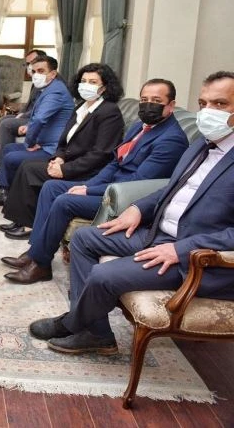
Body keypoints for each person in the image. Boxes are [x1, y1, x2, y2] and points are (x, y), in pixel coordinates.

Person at [29, 71, 234, 355]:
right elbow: (169, 189)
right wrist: (138, 208)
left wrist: (180, 249)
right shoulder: (202, 144)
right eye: (203, 103)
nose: (208, 111)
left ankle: (72, 323)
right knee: (84, 238)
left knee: (103, 275)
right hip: (158, 233)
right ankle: (97, 333)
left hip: (194, 257)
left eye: (220, 104)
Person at [2, 79, 189, 284]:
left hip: (126, 200)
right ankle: (35, 252)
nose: (148, 105)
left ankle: (40, 264)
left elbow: (137, 183)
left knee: (64, 201)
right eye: (144, 99)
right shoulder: (140, 127)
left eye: (156, 101)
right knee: (51, 187)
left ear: (171, 105)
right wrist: (88, 186)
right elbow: (114, 162)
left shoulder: (171, 139)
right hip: (110, 187)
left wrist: (90, 191)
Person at [0, 63, 125, 209]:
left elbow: (100, 154)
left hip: (80, 166)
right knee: (12, 152)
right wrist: (59, 157)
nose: (86, 85)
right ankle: (6, 195)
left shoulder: (108, 111)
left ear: (104, 87)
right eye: (83, 81)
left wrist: (62, 167)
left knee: (24, 165)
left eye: (92, 82)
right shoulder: (81, 106)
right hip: (65, 156)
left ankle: (13, 204)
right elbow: (64, 138)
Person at [0, 56, 74, 205]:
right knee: (9, 149)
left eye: (41, 71)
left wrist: (30, 143)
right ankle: (5, 191)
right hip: (45, 143)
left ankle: (5, 195)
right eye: (34, 71)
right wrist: (29, 126)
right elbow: (43, 116)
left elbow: (40, 119)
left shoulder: (56, 92)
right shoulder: (49, 88)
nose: (36, 75)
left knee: (11, 158)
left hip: (53, 149)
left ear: (53, 74)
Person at [0, 49, 47, 177]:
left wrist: (24, 115)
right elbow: (30, 103)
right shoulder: (37, 79)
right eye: (27, 63)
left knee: (7, 125)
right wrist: (21, 113)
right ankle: (0, 162)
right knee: (3, 120)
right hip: (30, 115)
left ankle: (3, 167)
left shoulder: (47, 81)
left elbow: (41, 110)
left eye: (32, 62)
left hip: (36, 119)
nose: (29, 66)